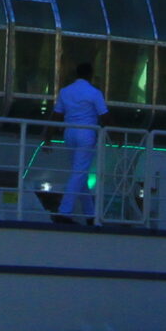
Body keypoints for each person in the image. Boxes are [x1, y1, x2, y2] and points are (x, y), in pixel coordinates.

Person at [55, 62, 109, 222]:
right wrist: (117, 133)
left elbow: (57, 114)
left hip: (69, 132)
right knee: (79, 172)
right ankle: (64, 212)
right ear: (90, 74)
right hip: (86, 132)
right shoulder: (94, 92)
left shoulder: (65, 91)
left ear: (76, 74)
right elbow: (104, 115)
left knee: (80, 173)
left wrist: (47, 135)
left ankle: (90, 214)